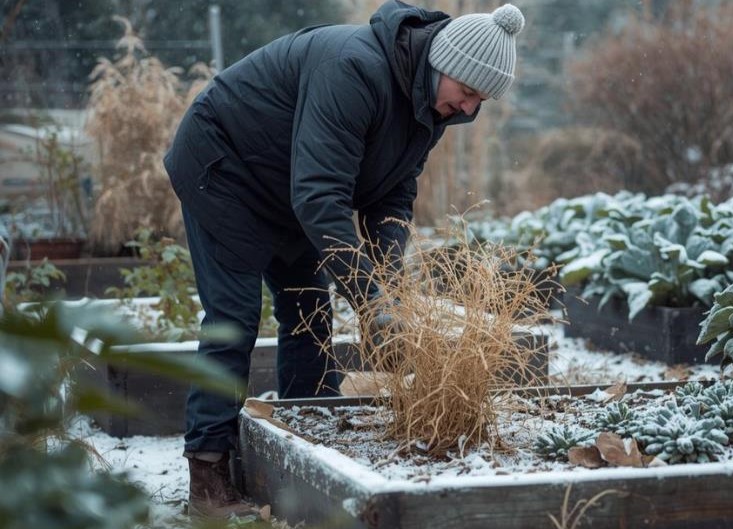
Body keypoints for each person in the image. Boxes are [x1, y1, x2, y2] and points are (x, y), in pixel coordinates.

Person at [163, 0, 525, 518]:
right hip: (226, 168)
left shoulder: (430, 104)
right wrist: (369, 297)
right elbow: (320, 196)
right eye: (467, 93)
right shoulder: (353, 69)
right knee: (235, 319)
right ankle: (208, 474)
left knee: (310, 314)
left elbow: (392, 197)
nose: (469, 109)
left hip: (292, 186)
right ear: (440, 63)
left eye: (480, 100)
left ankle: (304, 437)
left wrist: (387, 293)